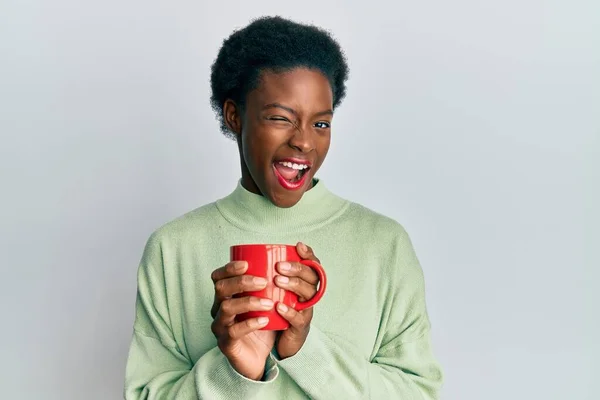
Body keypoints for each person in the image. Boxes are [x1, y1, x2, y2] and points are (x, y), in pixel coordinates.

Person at [124, 16, 443, 399]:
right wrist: (235, 370)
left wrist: (306, 351)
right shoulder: (171, 249)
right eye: (280, 118)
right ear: (234, 115)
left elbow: (419, 393)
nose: (304, 142)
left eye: (321, 124)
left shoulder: (384, 244)